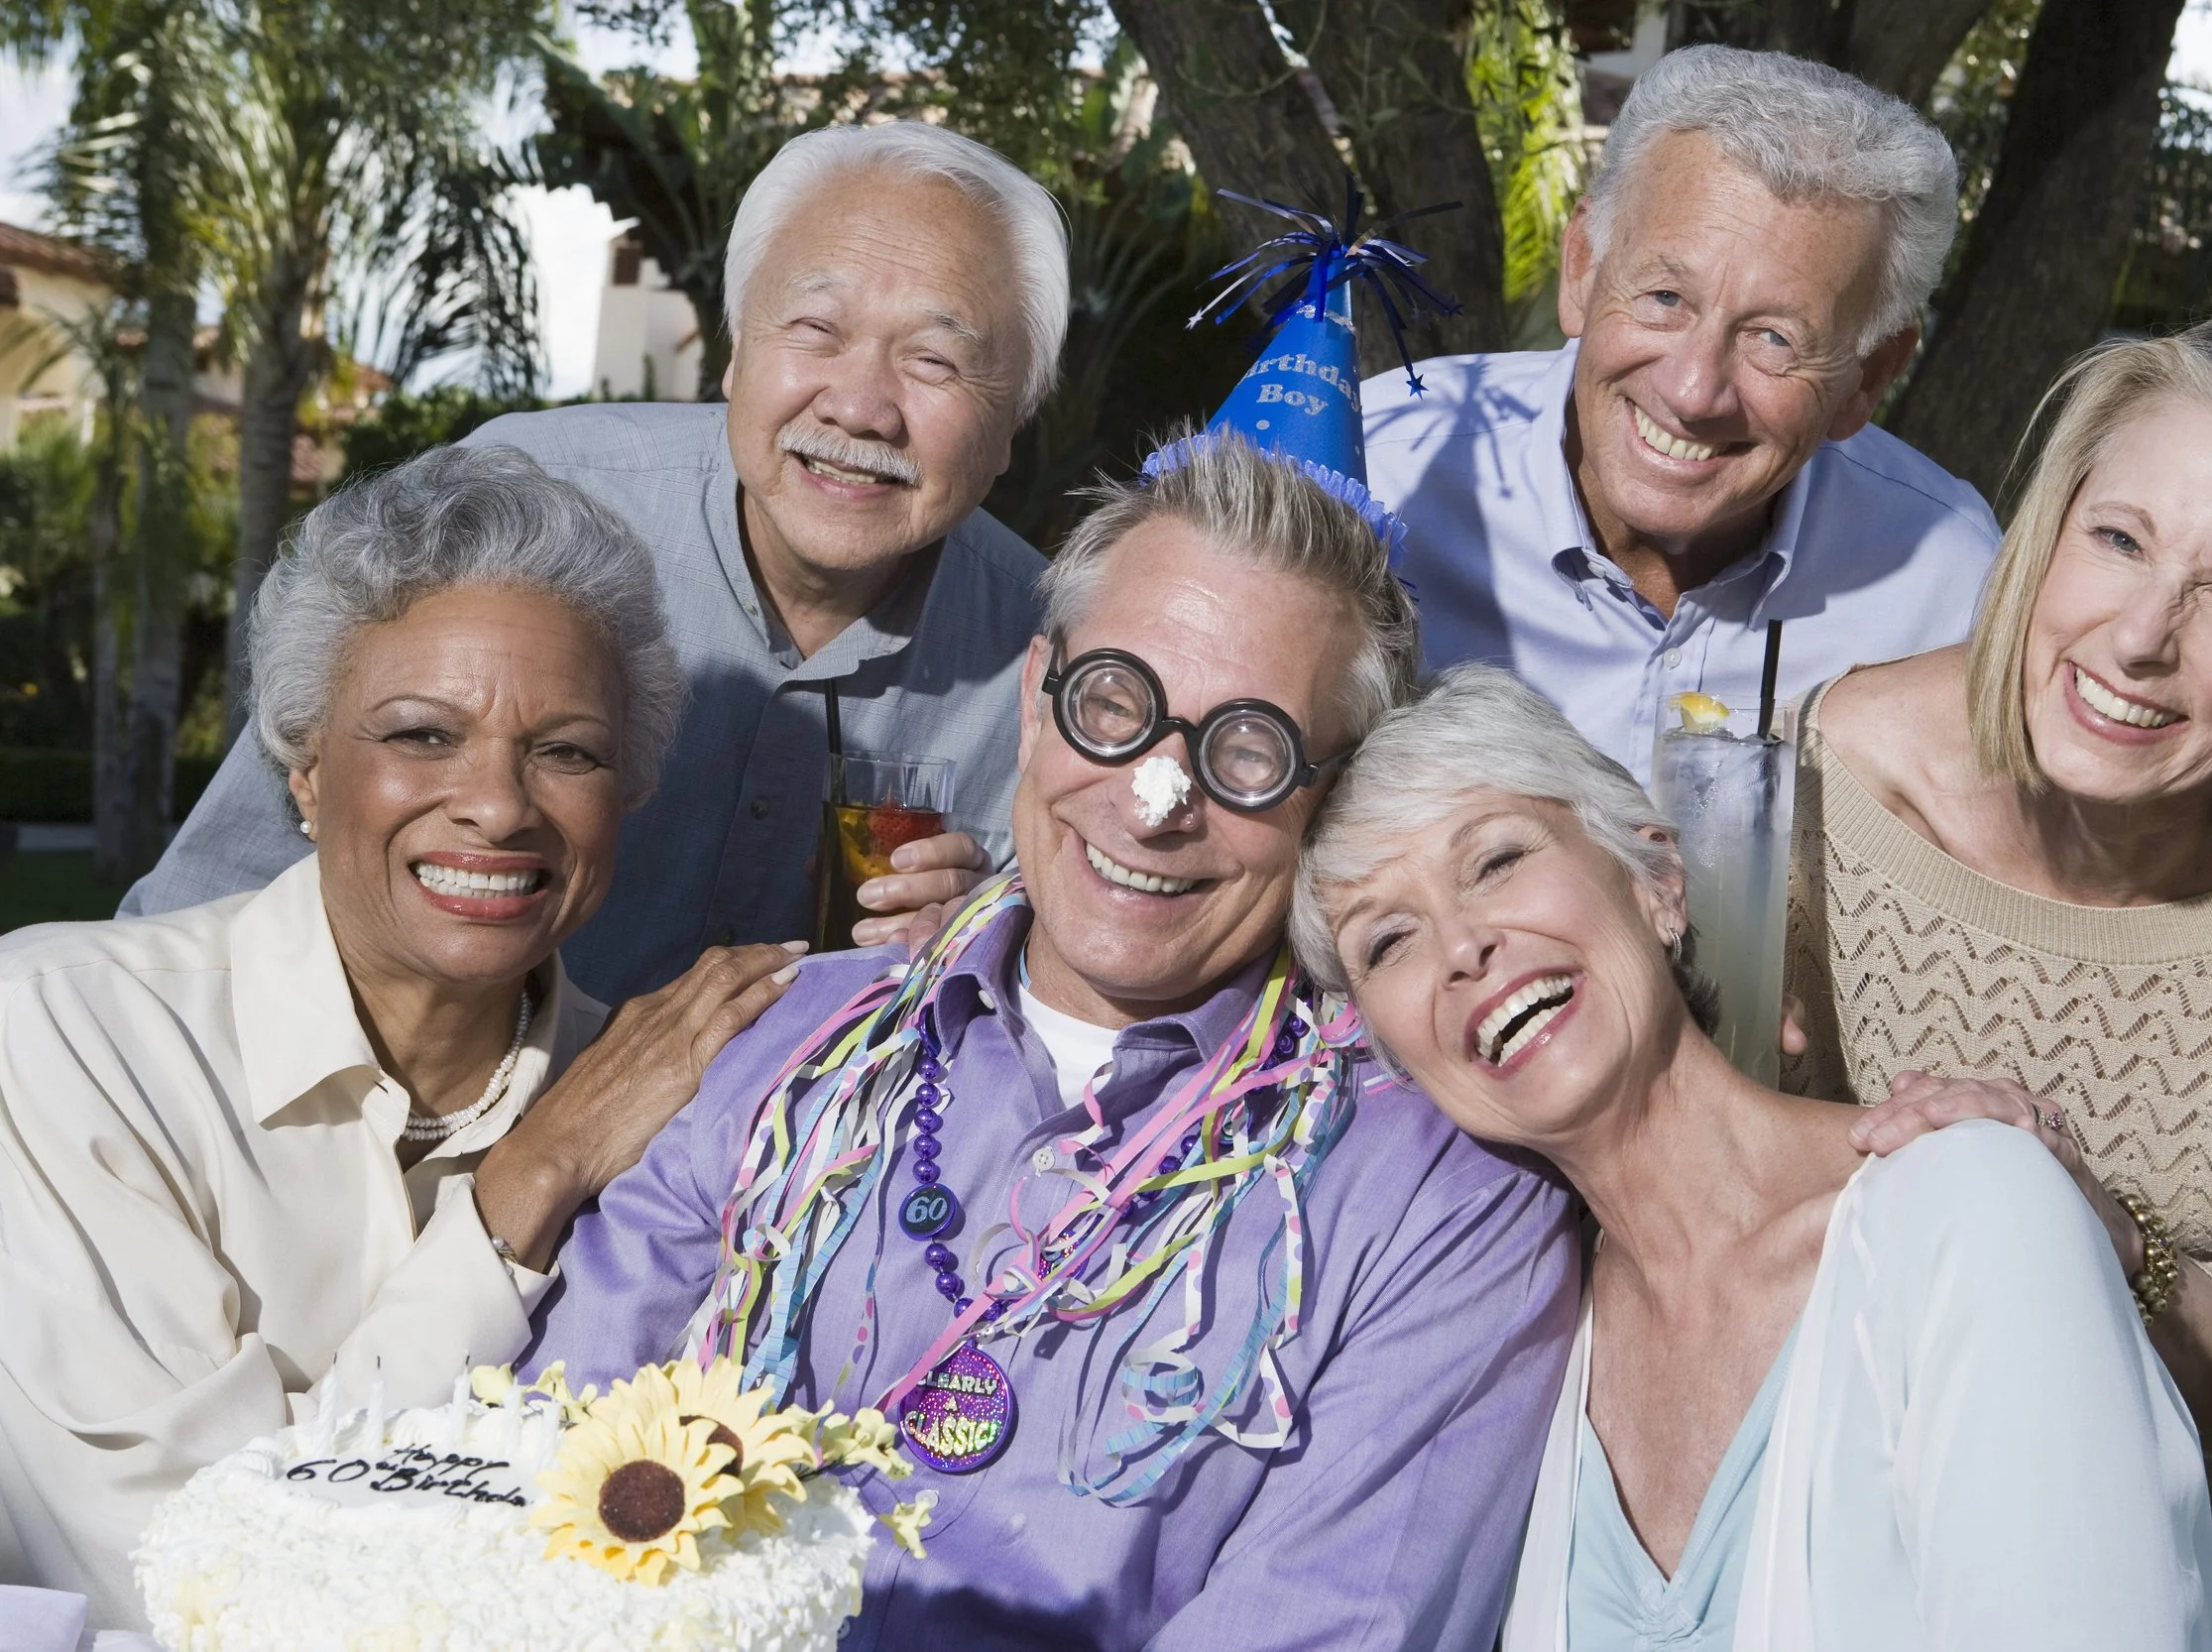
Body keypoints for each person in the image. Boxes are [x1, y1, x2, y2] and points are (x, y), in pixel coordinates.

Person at [524, 433, 1577, 1650]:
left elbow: (1331, 1623)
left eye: (1248, 749)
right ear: (1035, 699)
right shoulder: (788, 1041)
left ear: (1327, 801)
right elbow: (556, 1453)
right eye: (1116, 701)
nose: (1154, 798)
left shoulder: (1437, 1193)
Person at [0, 449, 804, 1630]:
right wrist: (528, 1182)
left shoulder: (665, 1103)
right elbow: (191, 1577)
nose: (498, 802)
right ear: (307, 769)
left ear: (628, 792)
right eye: (423, 734)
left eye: (568, 750)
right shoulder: (66, 1037)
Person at [1293, 665, 2212, 1651]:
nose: (1462, 945)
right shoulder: (1523, 1368)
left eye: (1493, 861)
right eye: (1388, 939)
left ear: (1657, 880)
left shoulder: (1975, 1211)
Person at [1780, 316, 2212, 1652]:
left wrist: (2106, 1242)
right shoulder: (1815, 786)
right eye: (2119, 539)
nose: (2142, 637)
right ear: (2048, 528)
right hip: (1819, 1553)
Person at [124, 120, 1070, 1001]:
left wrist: (993, 948)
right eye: (815, 332)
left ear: (1013, 425)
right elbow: (214, 898)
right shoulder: (518, 509)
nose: (861, 407)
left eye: (936, 363)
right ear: (736, 353)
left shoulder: (1057, 665)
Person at [1364, 46, 1999, 785]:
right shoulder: (1372, 473)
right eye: (1665, 298)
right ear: (1583, 268)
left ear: (1870, 376)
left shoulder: (1948, 586)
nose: (1696, 392)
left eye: (1774, 339)